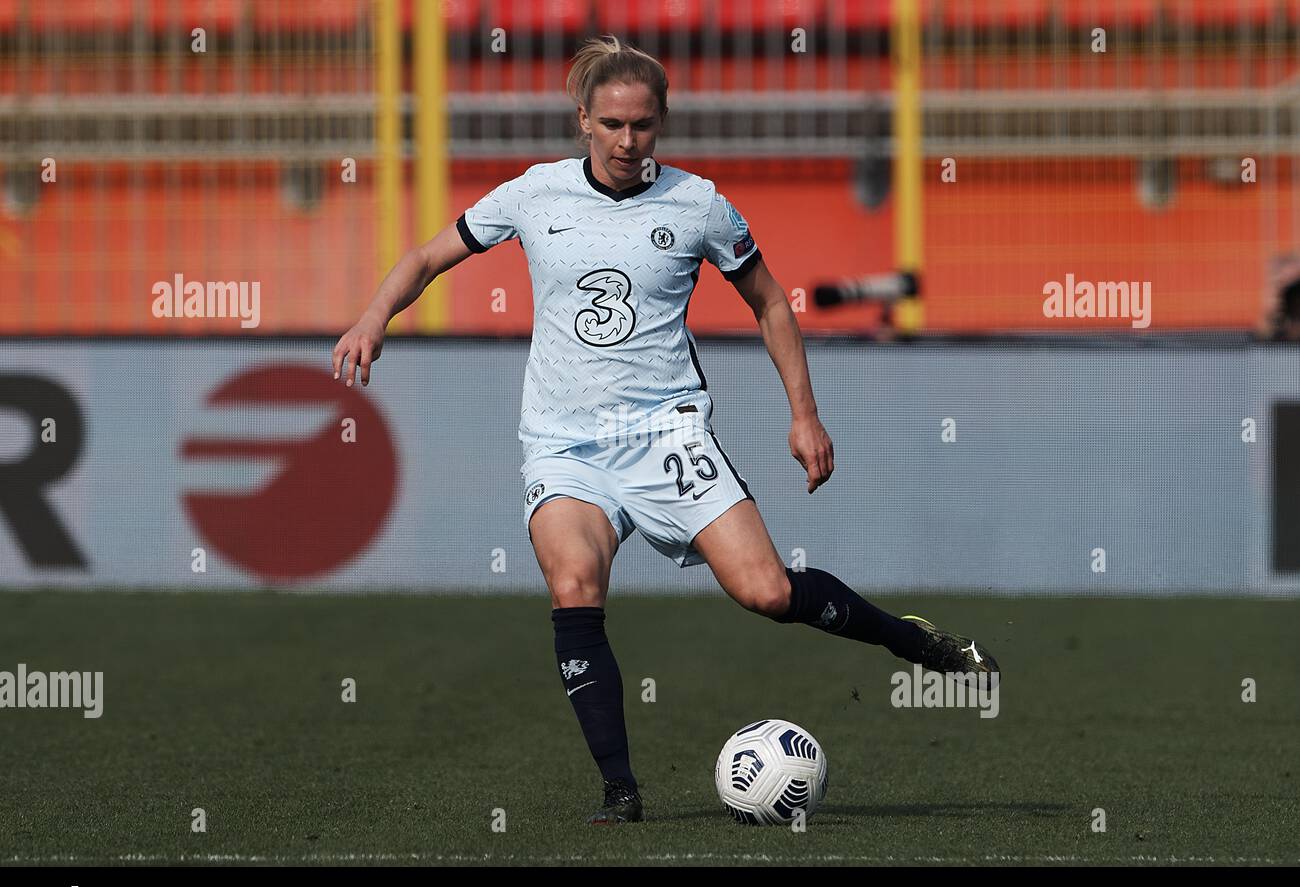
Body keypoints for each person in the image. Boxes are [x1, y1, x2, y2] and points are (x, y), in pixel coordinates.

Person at [332, 35, 999, 824]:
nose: (626, 140)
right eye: (612, 124)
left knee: (768, 591)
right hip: (564, 443)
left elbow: (772, 302)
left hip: (667, 437)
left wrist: (804, 414)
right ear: (583, 119)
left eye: (642, 125)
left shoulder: (698, 204)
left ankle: (912, 643)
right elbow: (426, 256)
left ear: (662, 123)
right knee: (574, 587)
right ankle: (620, 788)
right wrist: (375, 317)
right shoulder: (533, 194)